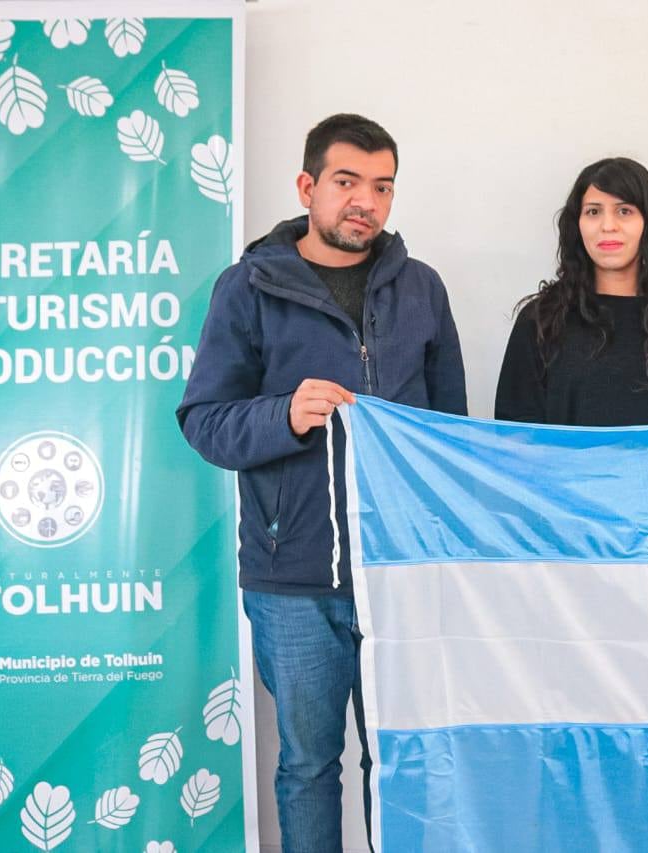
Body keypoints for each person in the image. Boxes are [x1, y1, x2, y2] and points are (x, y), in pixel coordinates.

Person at [177, 113, 466, 853]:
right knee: (308, 765)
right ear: (308, 187)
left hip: (399, 574)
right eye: (346, 182)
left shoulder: (423, 290)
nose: (364, 201)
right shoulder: (247, 288)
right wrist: (284, 415)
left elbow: (451, 436)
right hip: (290, 579)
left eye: (382, 187)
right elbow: (204, 420)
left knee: (400, 758)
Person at [495, 157, 648, 426]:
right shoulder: (540, 322)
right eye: (593, 211)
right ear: (577, 224)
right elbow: (516, 440)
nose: (608, 226)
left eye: (624, 211)